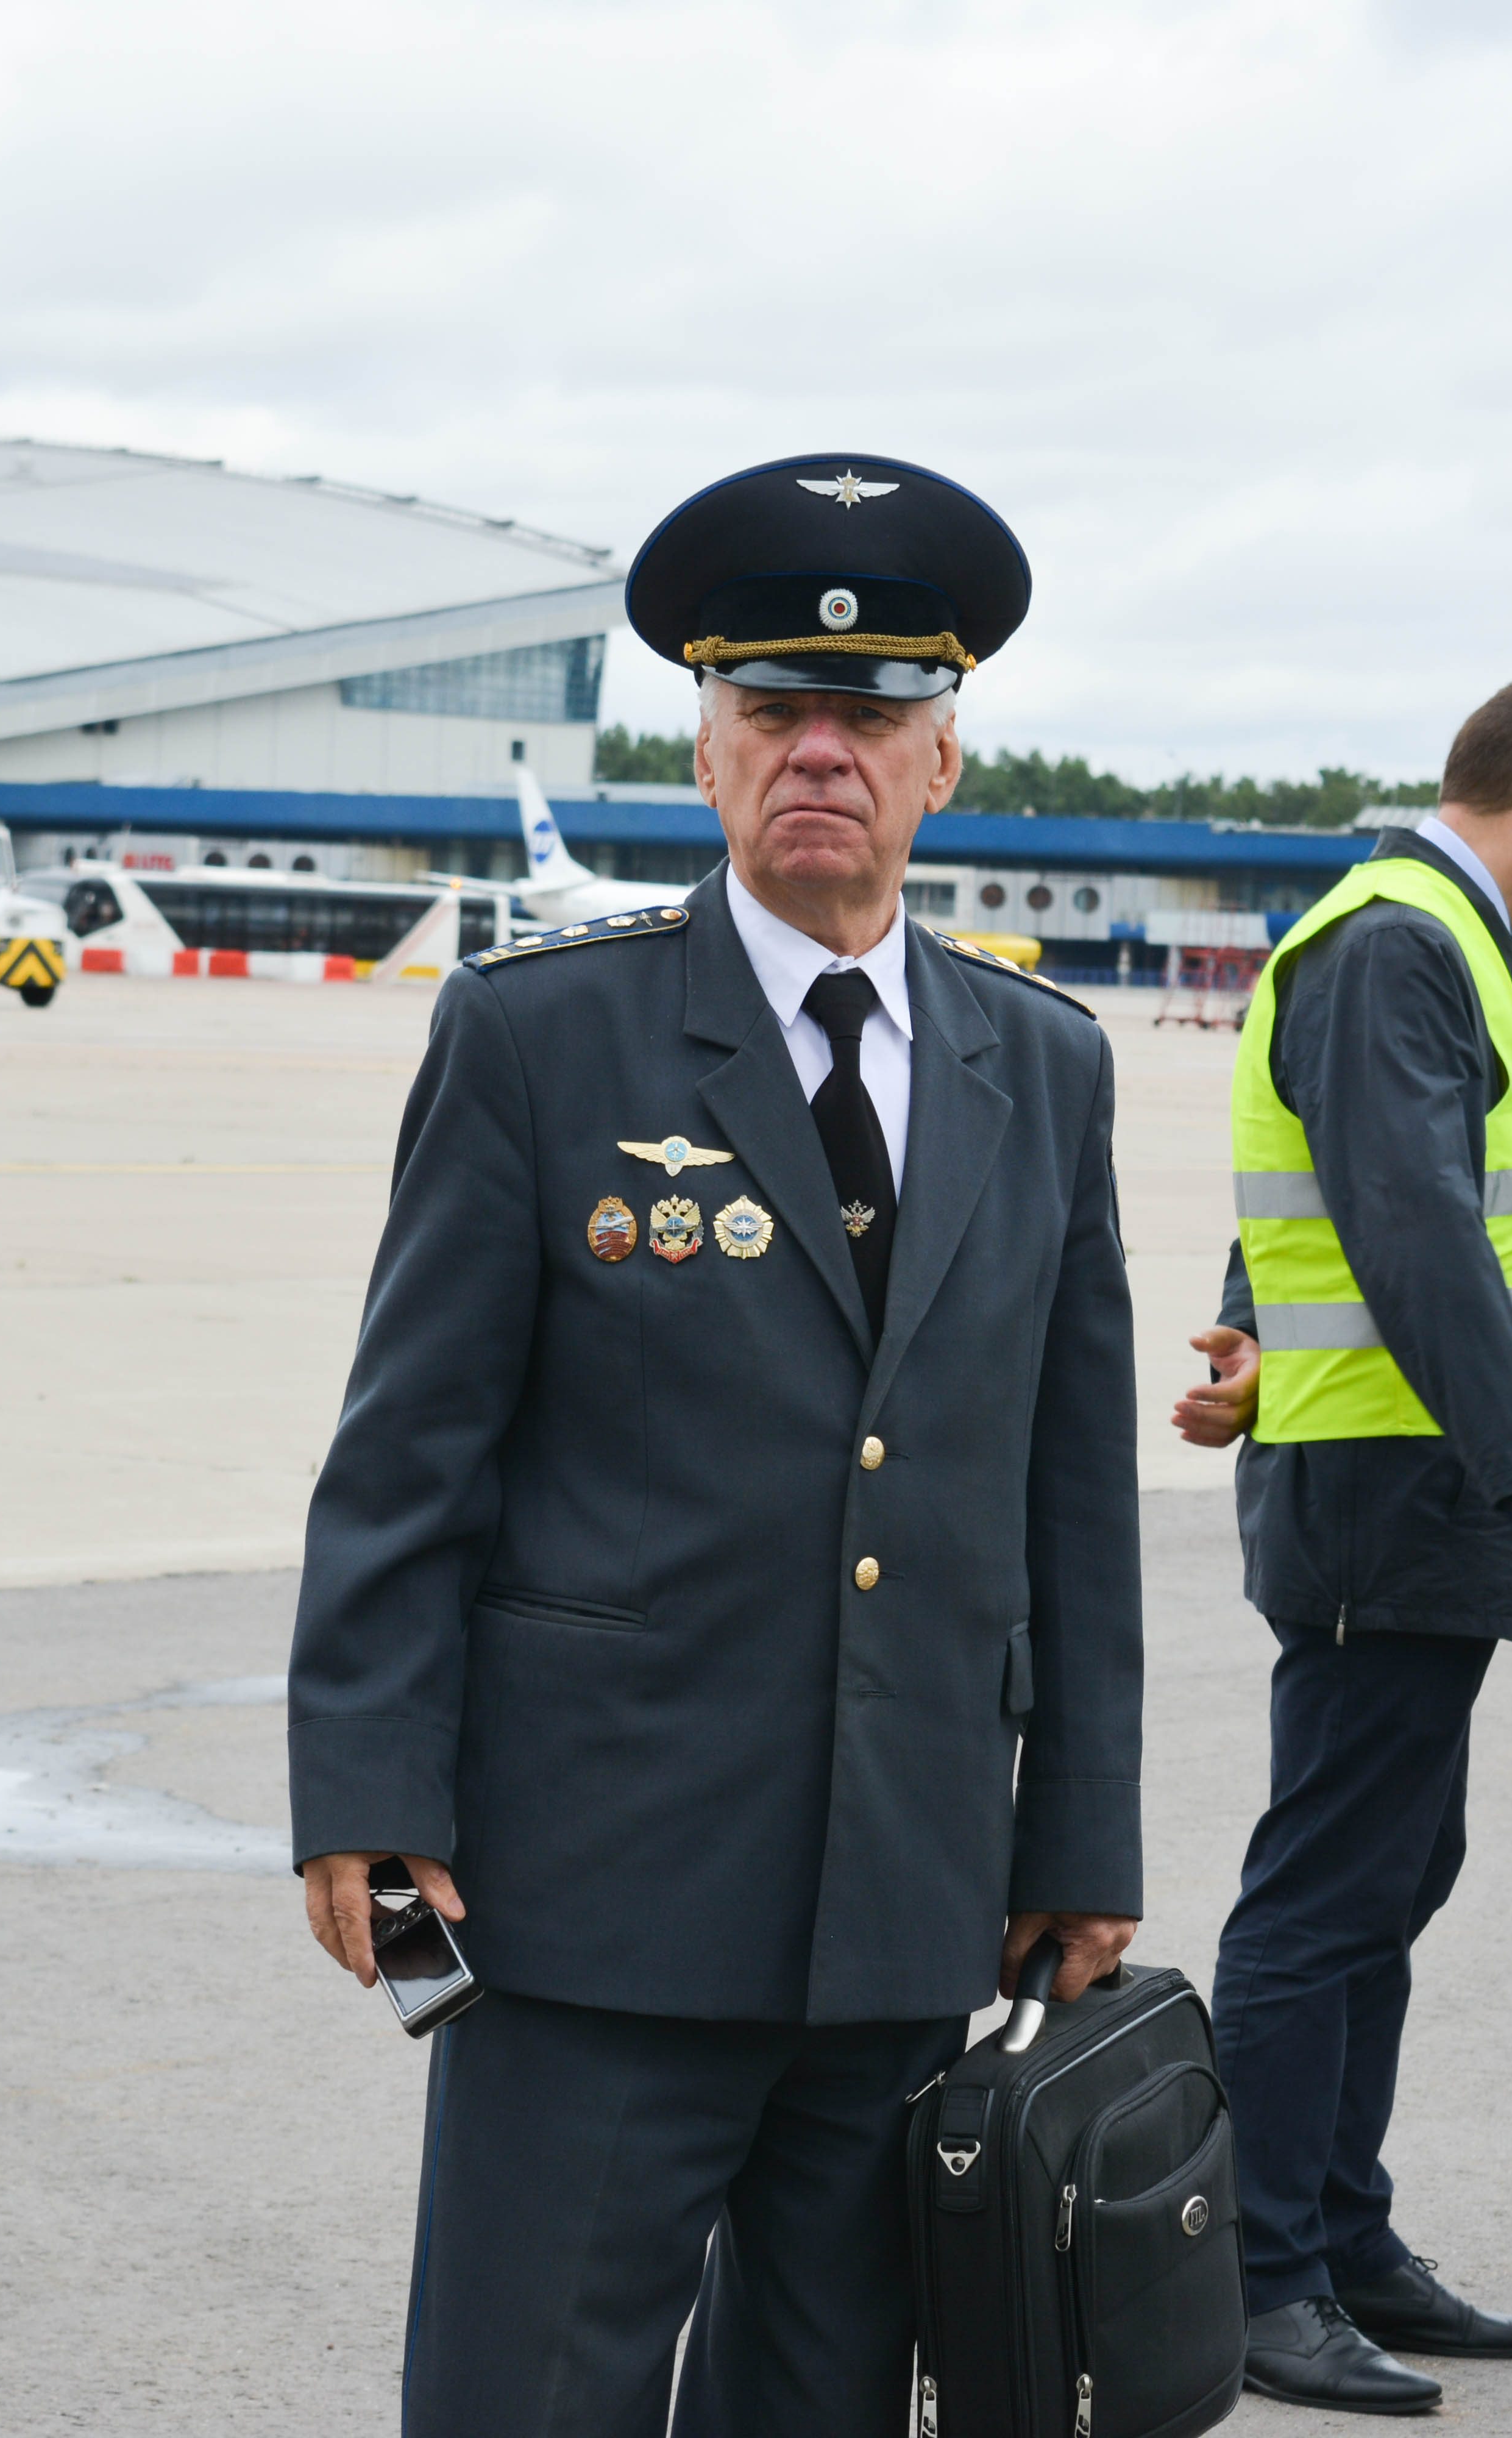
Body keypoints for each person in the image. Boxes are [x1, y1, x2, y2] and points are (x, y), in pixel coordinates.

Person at [286, 454, 1145, 2438]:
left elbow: (1071, 1498)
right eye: (776, 714)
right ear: (707, 749)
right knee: (528, 2401)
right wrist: (367, 1789)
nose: (820, 752)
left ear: (945, 759)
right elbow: (412, 1453)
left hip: (905, 1918)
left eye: (869, 719)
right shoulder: (539, 1043)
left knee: (826, 2401)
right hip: (592, 1904)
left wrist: (1077, 1839)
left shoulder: (1048, 1071)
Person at [1169, 673, 1512, 2416]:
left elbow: (1311, 1204)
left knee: (1394, 1869)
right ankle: (1261, 2274)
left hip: (1394, 1472)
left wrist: (1246, 1336)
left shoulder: (1427, 932)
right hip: (1396, 1486)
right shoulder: (1399, 943)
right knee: (1324, 1891)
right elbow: (1415, 1228)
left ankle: (1342, 2234)